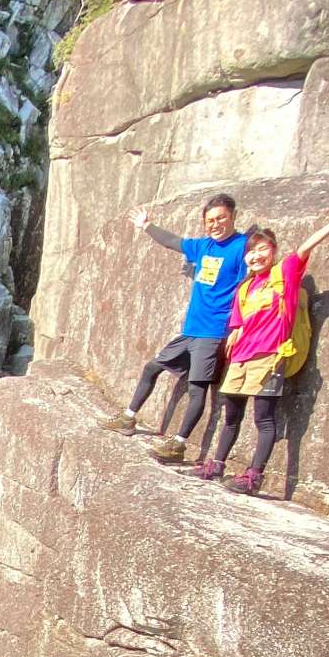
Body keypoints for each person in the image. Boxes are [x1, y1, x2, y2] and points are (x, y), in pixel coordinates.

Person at [194, 196, 329, 493]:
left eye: (262, 249)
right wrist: (234, 333)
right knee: (231, 415)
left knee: (264, 418)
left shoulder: (282, 274)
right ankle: (216, 464)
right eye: (251, 252)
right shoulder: (246, 286)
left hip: (269, 357)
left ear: (272, 252)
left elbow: (305, 248)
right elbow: (238, 320)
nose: (256, 256)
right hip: (241, 359)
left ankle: (253, 476)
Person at [100, 194, 247, 459]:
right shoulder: (204, 246)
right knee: (152, 367)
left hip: (213, 332)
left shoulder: (241, 247)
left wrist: (237, 327)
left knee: (196, 389)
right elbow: (173, 242)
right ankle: (128, 418)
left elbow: (247, 287)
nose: (216, 224)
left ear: (233, 216)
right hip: (191, 330)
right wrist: (147, 226)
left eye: (221, 218)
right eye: (210, 220)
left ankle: (178, 445)